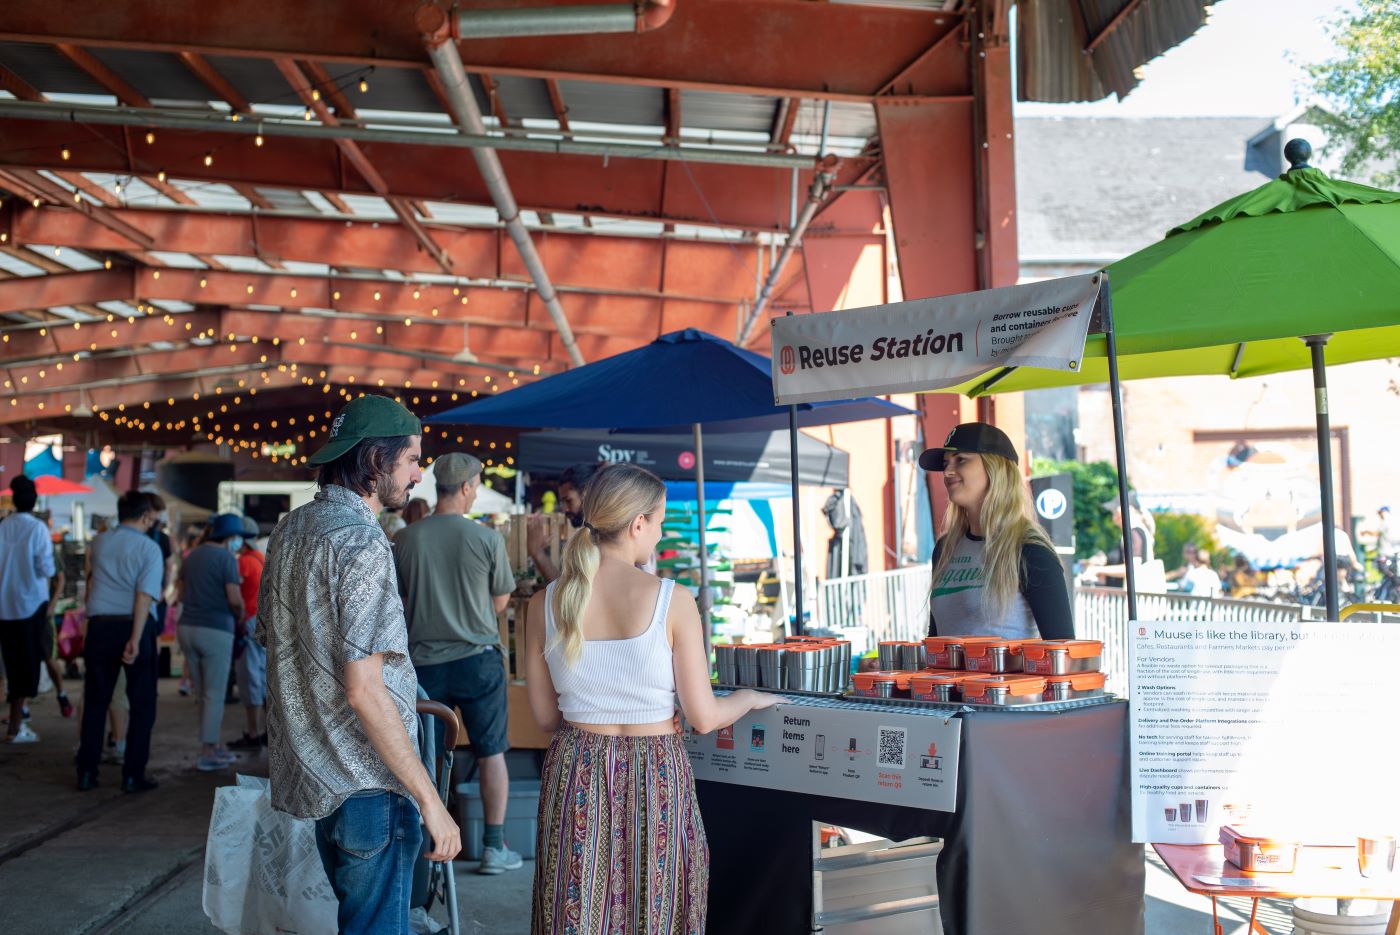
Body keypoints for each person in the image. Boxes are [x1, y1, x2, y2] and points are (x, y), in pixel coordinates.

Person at [524, 463, 781, 934]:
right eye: (660, 521)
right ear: (637, 523)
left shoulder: (544, 603)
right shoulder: (672, 599)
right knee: (658, 905)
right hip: (657, 766)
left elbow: (544, 716)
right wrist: (746, 698)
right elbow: (704, 716)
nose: (660, 534)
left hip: (576, 764)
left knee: (577, 904)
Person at [257, 395, 459, 934]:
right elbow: (363, 690)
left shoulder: (289, 531)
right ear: (375, 461)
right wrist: (430, 800)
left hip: (318, 777)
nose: (419, 475)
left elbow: (275, 645)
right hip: (371, 783)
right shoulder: (362, 542)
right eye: (413, 459)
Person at [394, 452, 520, 874]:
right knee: (491, 753)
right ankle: (492, 847)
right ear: (467, 487)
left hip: (425, 664)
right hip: (478, 661)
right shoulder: (486, 539)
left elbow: (402, 601)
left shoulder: (408, 538)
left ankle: (430, 850)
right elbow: (501, 601)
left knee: (425, 758)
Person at [920, 423, 1074, 639]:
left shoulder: (1029, 550)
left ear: (995, 468)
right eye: (946, 463)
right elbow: (937, 642)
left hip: (1008, 674)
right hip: (948, 674)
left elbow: (1063, 650)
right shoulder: (945, 548)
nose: (947, 471)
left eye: (960, 460)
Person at [76, 490, 163, 792]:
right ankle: (132, 774)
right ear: (144, 516)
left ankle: (86, 772)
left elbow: (90, 585)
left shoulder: (99, 542)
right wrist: (136, 639)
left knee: (96, 701)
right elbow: (143, 596)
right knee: (142, 703)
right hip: (134, 626)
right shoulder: (148, 548)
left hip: (100, 626)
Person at [176, 512, 245, 771]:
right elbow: (234, 599)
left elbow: (181, 593)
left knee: (202, 692)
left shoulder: (191, 555)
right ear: (229, 536)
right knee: (214, 694)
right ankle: (208, 751)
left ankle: (210, 744)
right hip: (215, 630)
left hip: (187, 629)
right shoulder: (226, 558)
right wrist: (239, 615)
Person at [0, 476, 61, 743]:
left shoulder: (2, 527)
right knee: (27, 666)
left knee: (11, 664)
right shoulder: (38, 530)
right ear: (34, 501)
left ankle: (16, 721)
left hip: (4, 605)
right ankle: (15, 725)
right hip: (31, 605)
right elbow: (46, 568)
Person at [527, 462, 601, 583]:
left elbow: (569, 596)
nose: (564, 509)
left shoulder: (604, 537)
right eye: (563, 502)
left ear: (588, 494)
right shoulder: (590, 534)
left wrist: (537, 552)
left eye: (569, 500)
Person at [229, 514, 267, 750]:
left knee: (249, 675)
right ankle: (262, 730)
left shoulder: (243, 561)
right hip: (262, 619)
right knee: (261, 674)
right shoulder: (261, 558)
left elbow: (234, 596)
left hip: (248, 621)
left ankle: (254, 731)